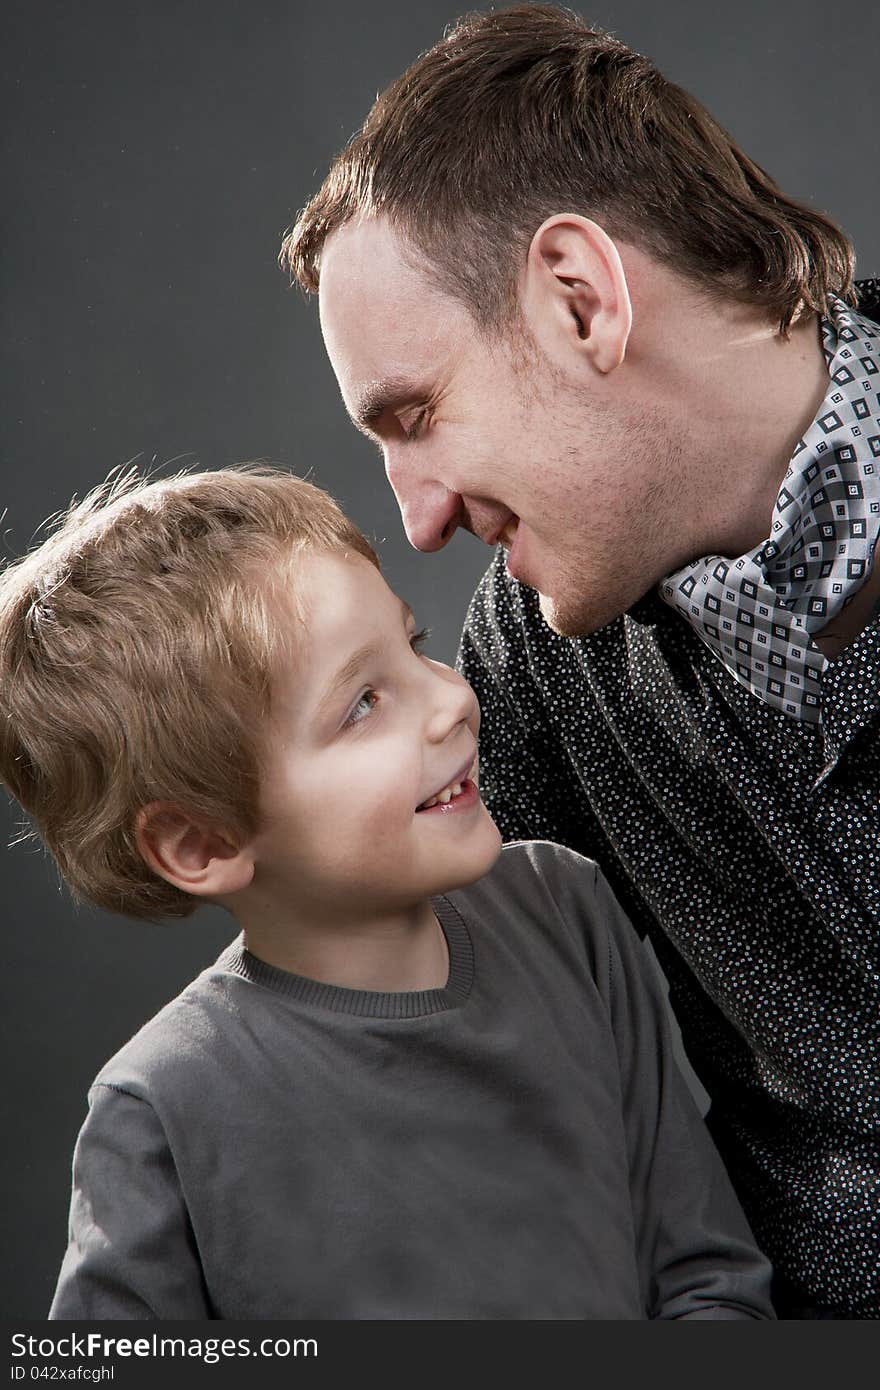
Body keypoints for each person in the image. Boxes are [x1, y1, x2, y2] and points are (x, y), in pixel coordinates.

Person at [280, 5, 880, 1317]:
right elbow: (444, 1067)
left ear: (580, 299)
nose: (419, 517)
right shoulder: (535, 673)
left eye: (417, 414)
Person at [0, 466, 772, 1320]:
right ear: (202, 842)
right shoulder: (164, 1108)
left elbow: (708, 1275)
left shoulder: (565, 911)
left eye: (416, 643)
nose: (448, 700)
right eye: (363, 704)